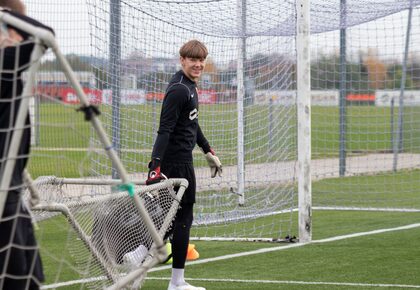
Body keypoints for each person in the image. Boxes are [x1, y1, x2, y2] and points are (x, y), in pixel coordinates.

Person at [146, 39, 222, 290]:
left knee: (174, 218)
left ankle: (138, 255)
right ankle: (175, 282)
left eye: (201, 60)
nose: (198, 64)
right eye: (193, 60)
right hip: (175, 162)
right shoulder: (179, 89)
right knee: (181, 219)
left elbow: (192, 123)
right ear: (182, 60)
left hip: (183, 160)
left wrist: (207, 149)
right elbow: (165, 130)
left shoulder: (190, 86)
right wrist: (155, 166)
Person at [0, 2, 54, 289]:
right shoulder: (4, 62)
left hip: (11, 188)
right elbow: (44, 34)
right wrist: (9, 12)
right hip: (4, 190)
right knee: (19, 279)